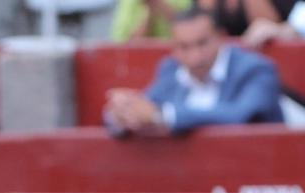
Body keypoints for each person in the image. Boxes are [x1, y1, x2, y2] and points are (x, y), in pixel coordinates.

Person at [104, 7, 284, 135]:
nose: (195, 57)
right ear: (173, 48)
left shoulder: (257, 70)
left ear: (221, 37)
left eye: (202, 43)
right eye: (184, 47)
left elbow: (239, 115)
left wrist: (162, 116)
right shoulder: (170, 69)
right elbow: (147, 106)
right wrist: (122, 113)